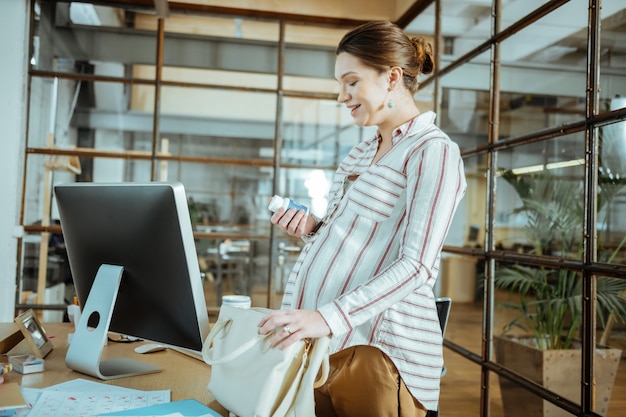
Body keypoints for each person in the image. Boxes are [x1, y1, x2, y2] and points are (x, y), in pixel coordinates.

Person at [258, 21, 467, 417]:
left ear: (391, 78)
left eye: (351, 82)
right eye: (340, 84)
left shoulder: (432, 151)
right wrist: (313, 230)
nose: (342, 96)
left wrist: (326, 317)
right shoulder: (359, 154)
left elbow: (418, 265)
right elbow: (362, 245)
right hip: (328, 345)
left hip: (380, 354)